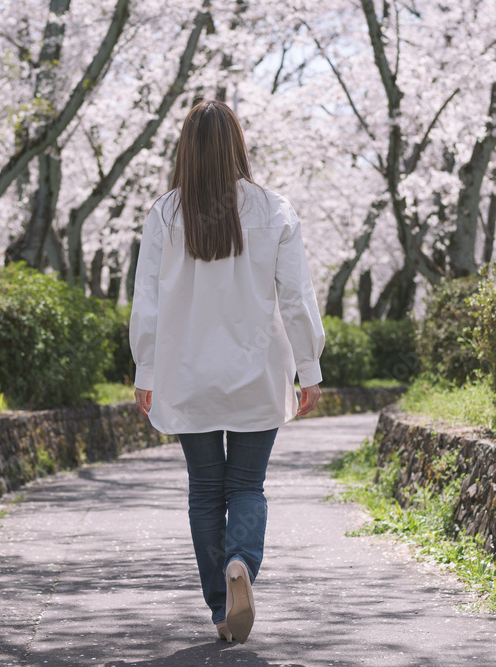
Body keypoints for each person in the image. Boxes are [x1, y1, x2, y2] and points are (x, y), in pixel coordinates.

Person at [128, 99, 326, 644]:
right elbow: (296, 297)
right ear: (239, 145)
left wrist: (145, 366)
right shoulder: (275, 209)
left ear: (184, 151)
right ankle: (241, 563)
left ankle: (221, 607)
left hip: (187, 375)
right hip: (256, 374)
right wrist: (308, 367)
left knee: (204, 492)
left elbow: (146, 301)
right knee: (247, 485)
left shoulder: (165, 214)